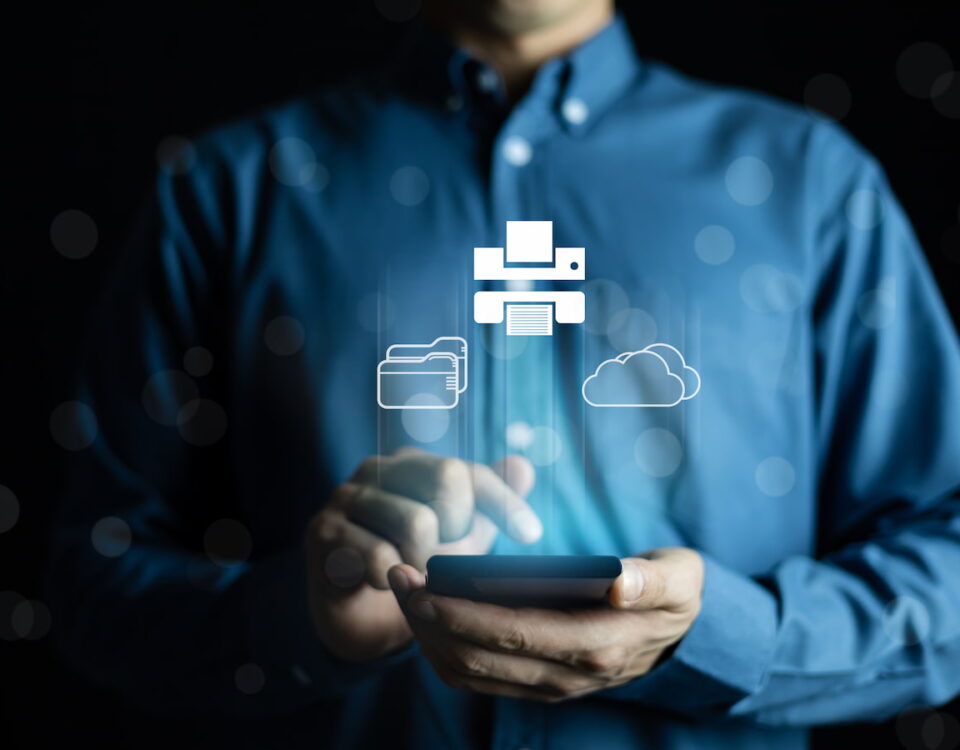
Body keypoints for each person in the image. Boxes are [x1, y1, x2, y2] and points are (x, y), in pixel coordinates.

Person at [48, 0, 960, 748]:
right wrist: (302, 619)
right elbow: (95, 577)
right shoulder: (229, 191)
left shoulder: (812, 185)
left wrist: (724, 634)